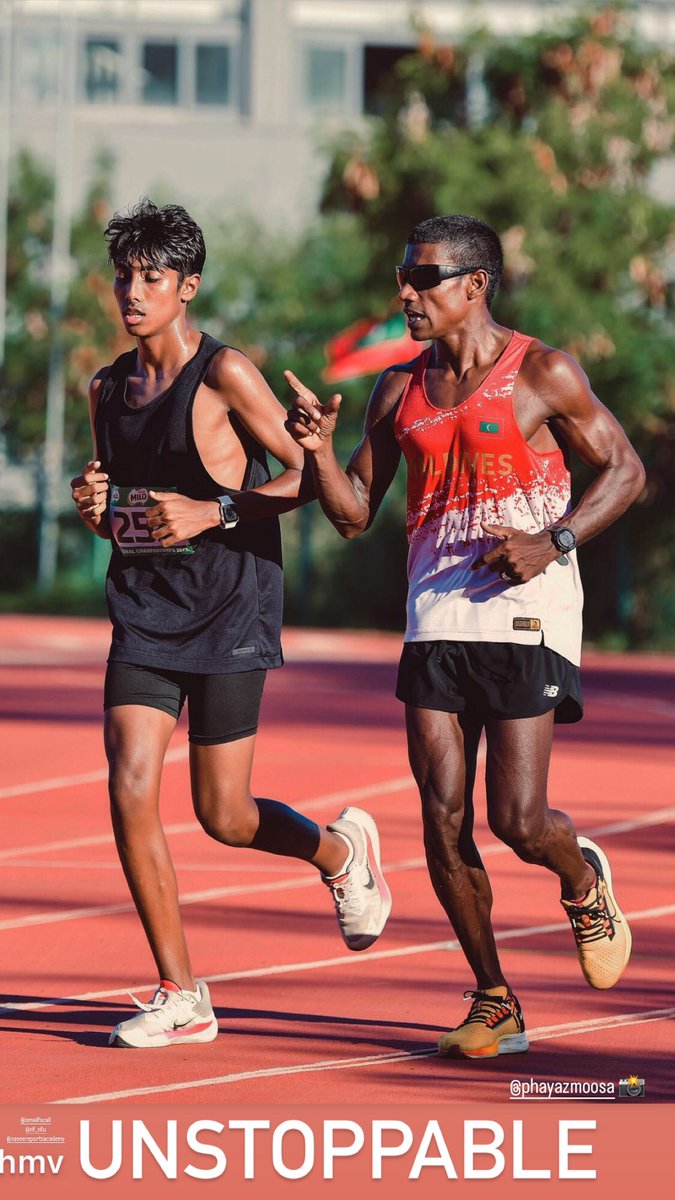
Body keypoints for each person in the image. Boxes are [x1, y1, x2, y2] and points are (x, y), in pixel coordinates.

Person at [284, 213, 645, 1060]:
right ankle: (494, 998)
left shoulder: (542, 371)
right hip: (434, 617)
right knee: (441, 824)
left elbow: (625, 469)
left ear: (475, 284)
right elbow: (349, 515)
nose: (406, 293)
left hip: (529, 613)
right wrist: (318, 453)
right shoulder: (395, 390)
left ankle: (581, 876)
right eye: (403, 277)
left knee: (516, 820)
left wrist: (552, 539)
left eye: (425, 278)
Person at [70, 199, 391, 1050]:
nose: (132, 293)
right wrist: (95, 505)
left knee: (224, 815)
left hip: (230, 604)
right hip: (142, 612)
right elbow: (122, 513)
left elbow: (304, 479)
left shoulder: (225, 375)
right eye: (125, 277)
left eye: (152, 278)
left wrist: (212, 511)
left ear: (188, 287)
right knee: (129, 786)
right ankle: (182, 992)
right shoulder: (105, 388)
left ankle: (338, 853)